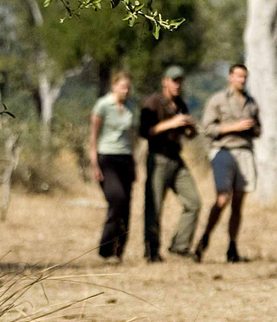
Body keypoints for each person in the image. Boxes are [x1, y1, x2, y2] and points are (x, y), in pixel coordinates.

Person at [194, 63, 261, 262]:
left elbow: (259, 131)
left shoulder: (251, 102)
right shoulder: (218, 100)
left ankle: (232, 247)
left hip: (245, 152)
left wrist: (253, 128)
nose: (242, 80)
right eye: (239, 76)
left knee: (238, 203)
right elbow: (207, 128)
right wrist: (234, 127)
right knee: (222, 199)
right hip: (223, 151)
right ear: (230, 77)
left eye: (245, 77)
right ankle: (204, 239)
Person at [138, 65, 201, 261]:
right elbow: (145, 131)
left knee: (194, 202)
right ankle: (151, 251)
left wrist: (190, 127)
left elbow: (189, 134)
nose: (178, 85)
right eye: (174, 81)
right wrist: (171, 123)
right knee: (154, 207)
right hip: (158, 158)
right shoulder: (153, 102)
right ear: (165, 81)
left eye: (180, 81)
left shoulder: (180, 104)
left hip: (176, 158)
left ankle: (180, 246)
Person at [88, 70, 136, 262]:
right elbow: (93, 136)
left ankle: (119, 250)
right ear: (114, 86)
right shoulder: (103, 105)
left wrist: (134, 163)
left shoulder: (130, 107)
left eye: (128, 88)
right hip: (107, 157)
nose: (126, 91)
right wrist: (94, 164)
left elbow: (130, 137)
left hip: (126, 158)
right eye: (123, 87)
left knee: (127, 206)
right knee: (117, 199)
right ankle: (105, 247)